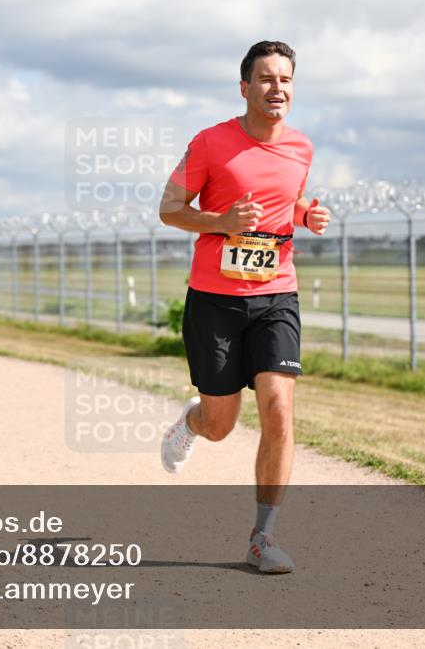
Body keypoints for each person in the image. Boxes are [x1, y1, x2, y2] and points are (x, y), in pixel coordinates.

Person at [157, 41, 331, 574]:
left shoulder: (301, 147)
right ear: (245, 87)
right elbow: (170, 209)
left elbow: (285, 201)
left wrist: (306, 215)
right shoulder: (210, 143)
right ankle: (192, 419)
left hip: (277, 292)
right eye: (266, 79)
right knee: (221, 424)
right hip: (215, 300)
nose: (277, 89)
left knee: (279, 407)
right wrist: (221, 222)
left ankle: (262, 537)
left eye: (286, 80)